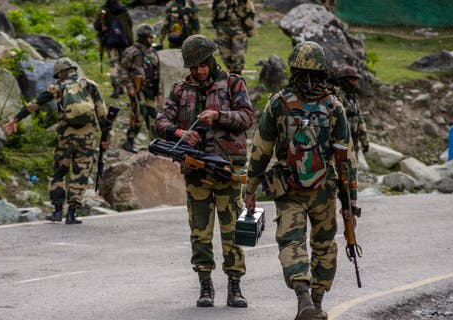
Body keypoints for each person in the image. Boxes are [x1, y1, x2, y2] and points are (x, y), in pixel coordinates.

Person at [244, 41, 358, 320]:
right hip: (324, 190)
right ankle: (316, 304)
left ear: (292, 68)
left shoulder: (278, 103)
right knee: (324, 245)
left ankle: (304, 299)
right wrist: (351, 201)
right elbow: (347, 158)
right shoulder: (333, 106)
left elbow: (260, 150)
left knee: (292, 242)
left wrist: (250, 189)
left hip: (289, 188)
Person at [155, 35, 254, 308]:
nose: (198, 71)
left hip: (227, 169)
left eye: (202, 65)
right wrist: (180, 133)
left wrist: (218, 116)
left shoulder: (233, 83)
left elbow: (247, 117)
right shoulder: (180, 89)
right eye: (193, 67)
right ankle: (205, 285)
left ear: (211, 61)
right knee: (200, 231)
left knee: (232, 230)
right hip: (196, 170)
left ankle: (235, 286)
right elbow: (161, 120)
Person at [4, 58, 110, 224]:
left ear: (60, 73)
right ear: (74, 69)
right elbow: (102, 114)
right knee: (80, 174)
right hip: (87, 138)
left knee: (59, 172)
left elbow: (35, 104)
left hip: (65, 137)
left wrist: (15, 119)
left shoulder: (59, 87)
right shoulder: (91, 85)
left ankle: (57, 211)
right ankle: (72, 214)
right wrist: (105, 138)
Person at [118, 24, 162, 153]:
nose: (152, 40)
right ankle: (129, 141)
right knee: (139, 115)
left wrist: (158, 93)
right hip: (137, 89)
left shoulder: (153, 52)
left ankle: (156, 145)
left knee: (153, 117)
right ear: (143, 37)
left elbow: (157, 74)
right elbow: (123, 70)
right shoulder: (132, 52)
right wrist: (130, 87)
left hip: (150, 90)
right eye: (149, 37)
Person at [94, 0, 134, 99]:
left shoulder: (104, 10)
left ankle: (116, 88)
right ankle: (122, 87)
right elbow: (130, 24)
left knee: (114, 65)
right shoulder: (123, 10)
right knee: (123, 64)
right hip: (124, 42)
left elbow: (97, 25)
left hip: (110, 42)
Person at [211, 0, 256, 74]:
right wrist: (215, 23)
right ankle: (232, 73)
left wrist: (249, 27)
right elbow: (214, 11)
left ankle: (237, 77)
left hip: (238, 28)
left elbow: (250, 12)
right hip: (222, 29)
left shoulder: (244, 2)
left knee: (238, 56)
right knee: (225, 56)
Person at [337, 65, 369, 154]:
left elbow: (360, 120)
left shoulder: (353, 98)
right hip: (339, 145)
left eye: (355, 80)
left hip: (353, 144)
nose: (354, 82)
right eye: (352, 79)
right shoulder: (334, 97)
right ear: (344, 80)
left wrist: (365, 141)